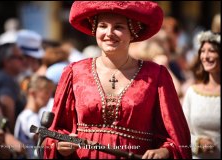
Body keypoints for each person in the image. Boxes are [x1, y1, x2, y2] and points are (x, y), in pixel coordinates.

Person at [43, 1, 192, 159]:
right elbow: (55, 131)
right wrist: (59, 144)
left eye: (119, 27)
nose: (109, 33)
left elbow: (176, 137)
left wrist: (165, 151)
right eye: (103, 26)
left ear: (133, 32)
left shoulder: (156, 75)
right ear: (95, 29)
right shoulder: (74, 72)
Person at [182, 31, 220, 159]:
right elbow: (181, 133)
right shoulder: (193, 93)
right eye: (203, 51)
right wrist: (198, 143)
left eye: (212, 51)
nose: (205, 56)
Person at [14, 75, 54, 158]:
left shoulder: (27, 115)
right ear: (33, 93)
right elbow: (43, 142)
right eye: (46, 92)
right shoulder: (30, 117)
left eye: (50, 93)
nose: (49, 97)